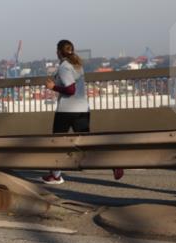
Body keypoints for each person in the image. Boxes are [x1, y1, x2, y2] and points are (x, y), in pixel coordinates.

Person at [42, 39, 123, 184]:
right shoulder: (77, 65)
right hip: (82, 108)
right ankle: (113, 163)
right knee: (88, 142)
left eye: (57, 50)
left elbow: (70, 90)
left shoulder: (65, 67)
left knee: (57, 142)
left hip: (67, 110)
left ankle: (55, 176)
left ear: (60, 52)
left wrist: (53, 87)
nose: (56, 52)